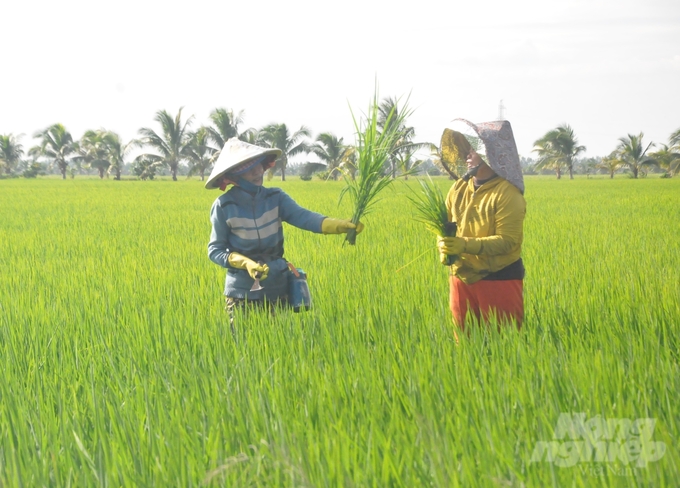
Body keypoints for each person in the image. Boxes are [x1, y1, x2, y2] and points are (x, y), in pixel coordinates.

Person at [206, 138, 363, 331]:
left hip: (277, 287)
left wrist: (338, 225)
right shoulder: (224, 206)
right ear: (233, 176)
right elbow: (215, 249)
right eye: (248, 168)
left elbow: (304, 217)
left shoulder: (275, 198)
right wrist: (244, 262)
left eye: (258, 165)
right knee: (243, 347)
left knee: (280, 346)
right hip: (241, 292)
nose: (257, 172)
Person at [436, 119, 526, 334]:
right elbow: (444, 225)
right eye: (467, 150)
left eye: (473, 151)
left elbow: (508, 241)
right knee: (466, 348)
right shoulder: (458, 188)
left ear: (490, 155)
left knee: (504, 346)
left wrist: (463, 245)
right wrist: (442, 244)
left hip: (498, 279)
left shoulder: (507, 194)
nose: (467, 155)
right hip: (460, 276)